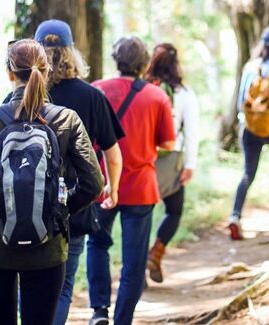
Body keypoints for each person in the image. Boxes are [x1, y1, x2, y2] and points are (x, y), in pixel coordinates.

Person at [0, 39, 103, 325]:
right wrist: (57, 210)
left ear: (9, 73)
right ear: (46, 72)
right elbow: (93, 182)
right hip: (48, 249)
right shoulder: (67, 119)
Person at [6, 20, 125, 325]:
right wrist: (113, 188)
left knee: (28, 284)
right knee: (61, 288)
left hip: (22, 205)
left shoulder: (14, 101)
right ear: (72, 52)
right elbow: (112, 153)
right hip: (72, 205)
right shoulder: (91, 97)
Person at [88, 37, 176, 325]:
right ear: (143, 63)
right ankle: (122, 320)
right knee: (134, 262)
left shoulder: (97, 90)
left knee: (98, 244)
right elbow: (168, 143)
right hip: (140, 186)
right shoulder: (157, 96)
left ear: (116, 59)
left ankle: (99, 310)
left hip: (102, 184)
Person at [143, 43, 200, 283]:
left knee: (141, 215)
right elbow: (193, 132)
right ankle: (156, 251)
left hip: (143, 161)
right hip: (171, 162)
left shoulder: (142, 88)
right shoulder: (184, 94)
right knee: (173, 211)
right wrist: (190, 164)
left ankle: (137, 267)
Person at [227, 26, 269, 240]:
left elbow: (240, 103)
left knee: (248, 173)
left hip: (251, 129)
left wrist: (245, 122)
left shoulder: (250, 68)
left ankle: (235, 216)